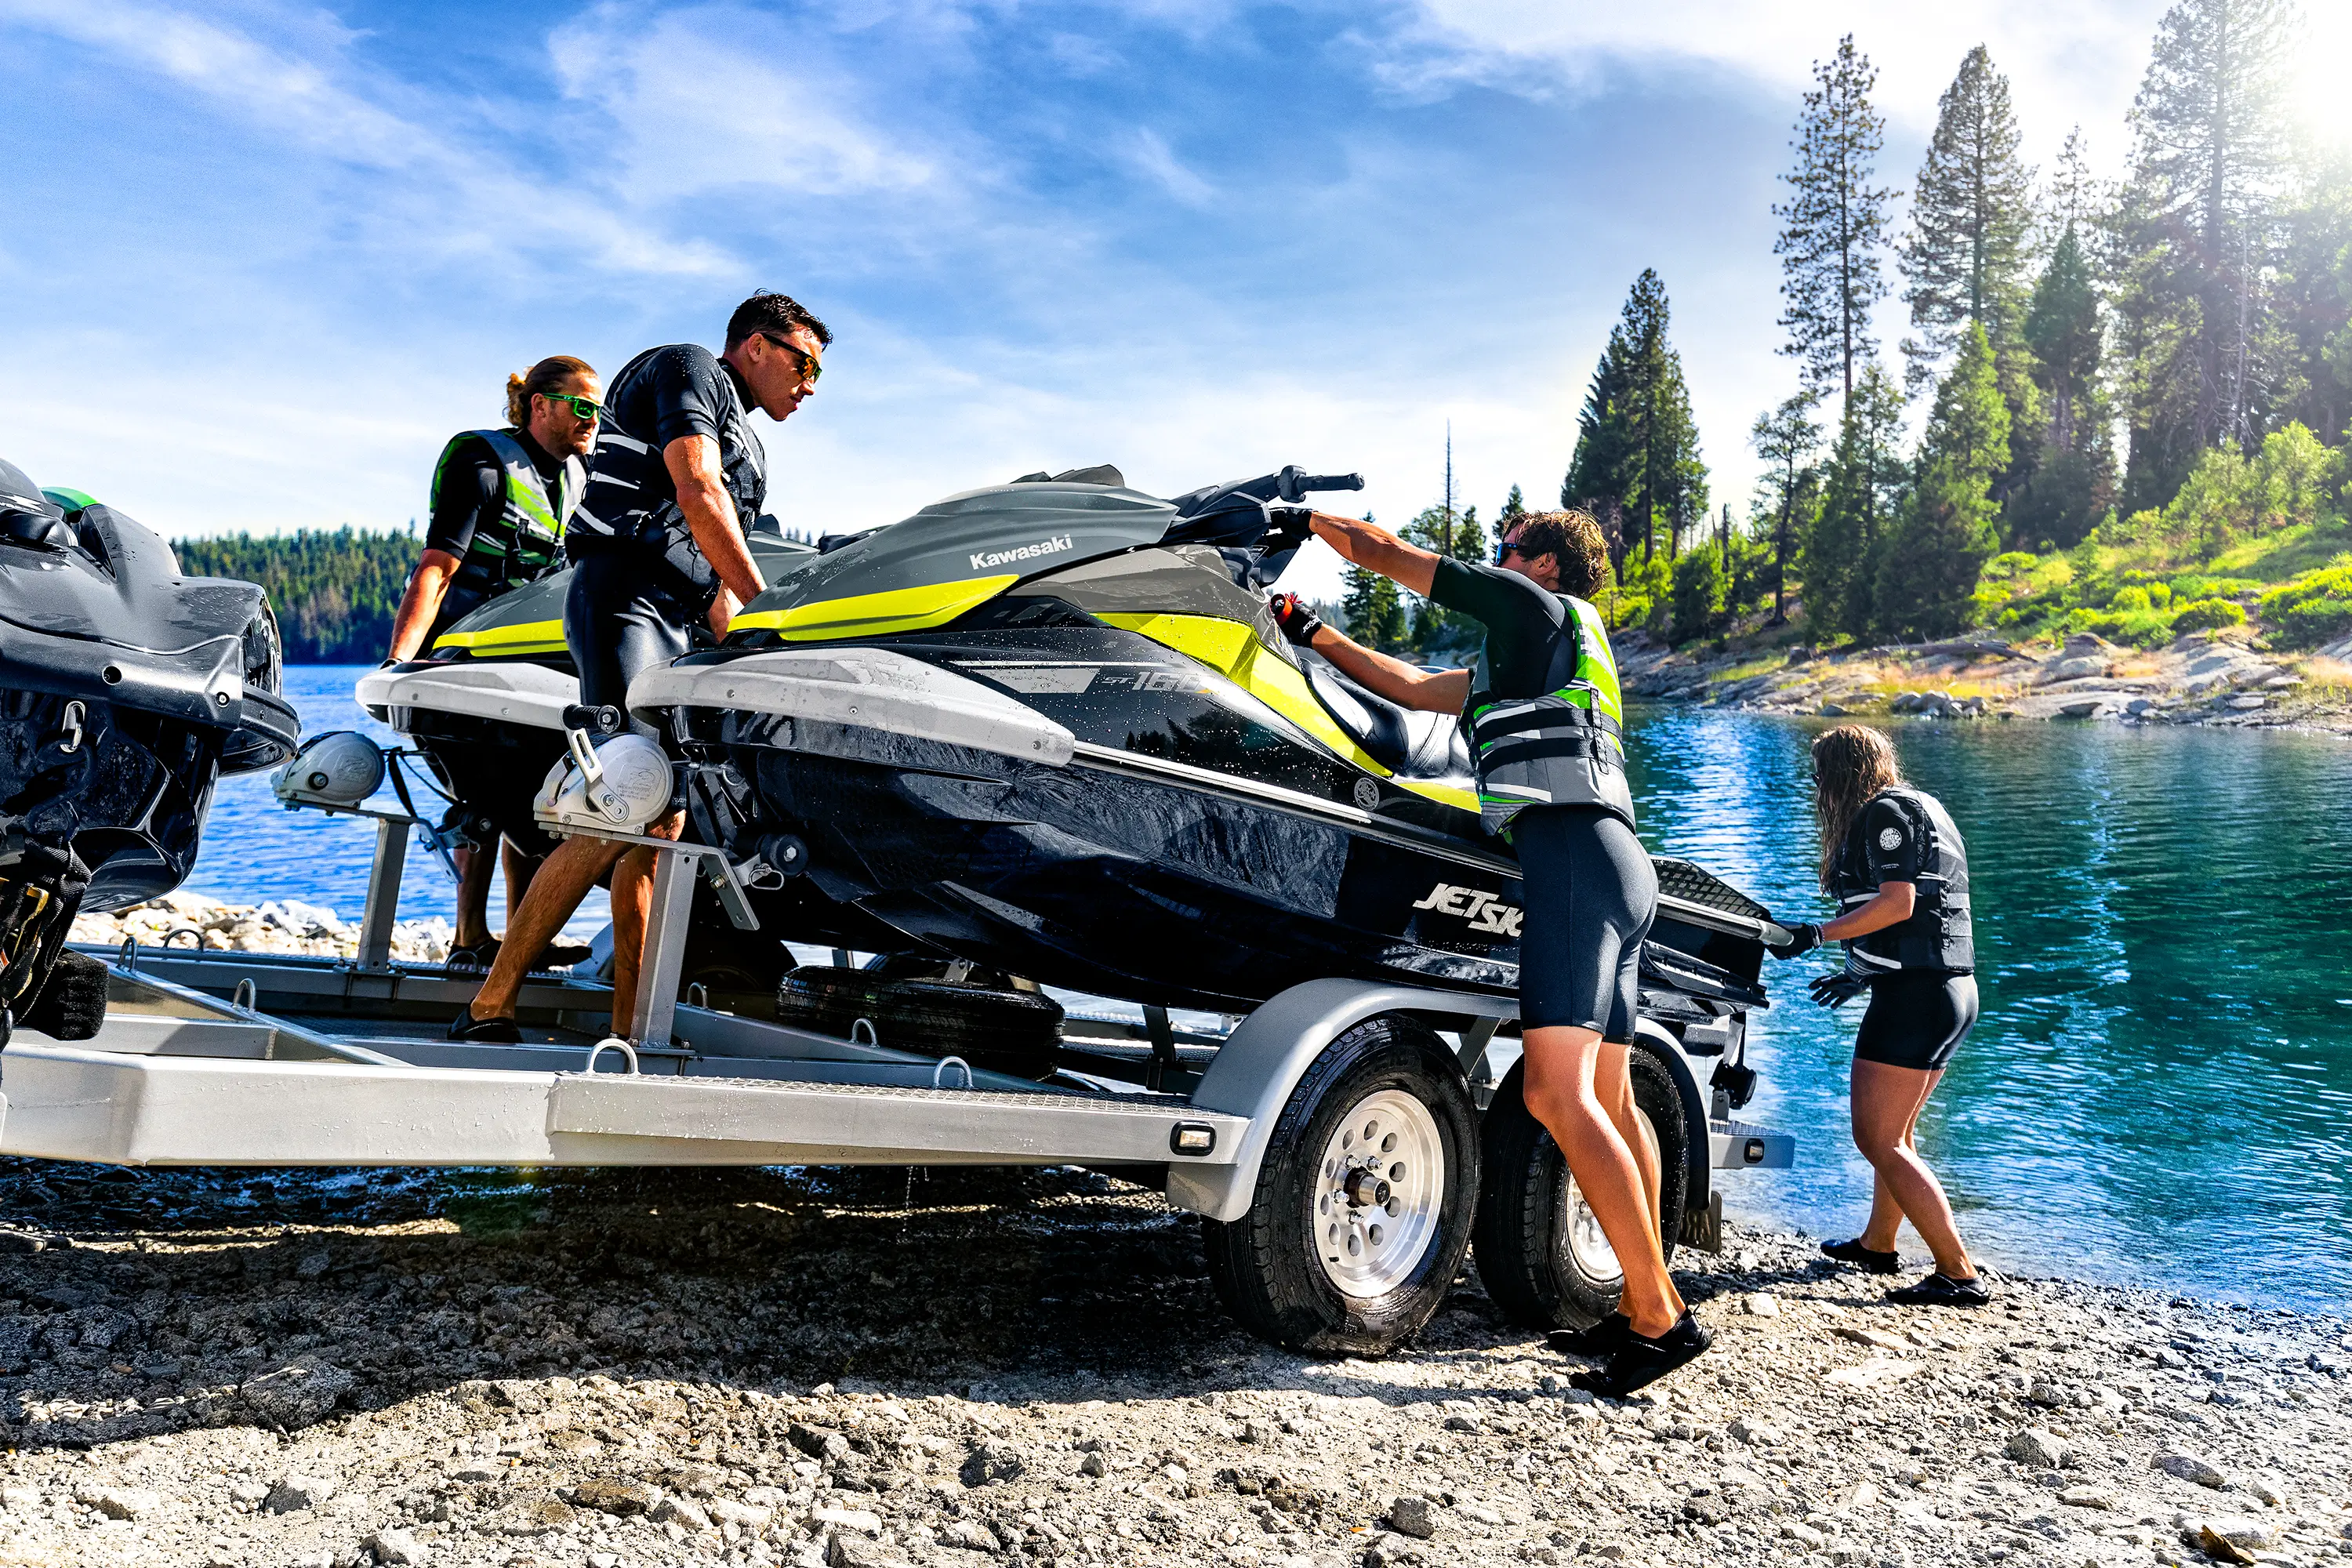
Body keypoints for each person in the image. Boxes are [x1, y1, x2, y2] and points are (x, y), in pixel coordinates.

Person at [1267, 507, 1709, 1396]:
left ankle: (1662, 1317)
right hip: (1619, 867)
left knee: (1553, 1090)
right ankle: (1639, 1298)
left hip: (1575, 864)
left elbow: (1386, 552)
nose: (1498, 563)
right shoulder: (1544, 658)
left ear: (1541, 563)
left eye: (1509, 553)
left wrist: (1299, 517)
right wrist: (1307, 630)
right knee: (1614, 1103)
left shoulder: (1532, 607)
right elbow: (1404, 683)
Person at [448, 292, 828, 1044]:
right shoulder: (688, 370)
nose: (810, 384)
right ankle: (488, 1007)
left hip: (679, 619)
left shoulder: (746, 443)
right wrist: (767, 612)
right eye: (804, 362)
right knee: (624, 798)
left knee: (666, 817)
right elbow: (695, 490)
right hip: (623, 597)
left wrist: (742, 646)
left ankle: (630, 1029)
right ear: (755, 345)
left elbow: (708, 568)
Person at [385, 356, 602, 968]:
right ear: (540, 405)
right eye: (581, 406)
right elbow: (437, 568)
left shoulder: (575, 477)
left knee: (533, 797)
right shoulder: (483, 465)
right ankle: (468, 937)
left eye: (599, 410)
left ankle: (522, 935)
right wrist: (399, 665)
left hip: (528, 666)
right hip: (453, 661)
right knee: (481, 802)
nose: (592, 420)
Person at [1766, 724, 1990, 1307]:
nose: (1817, 786)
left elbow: (1900, 904)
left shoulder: (1884, 814)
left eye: (1820, 775)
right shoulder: (1922, 806)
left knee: (1876, 1137)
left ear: (1842, 772)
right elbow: (1925, 916)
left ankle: (1957, 1271)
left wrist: (1815, 935)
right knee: (1900, 1134)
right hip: (1948, 991)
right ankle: (1879, 1243)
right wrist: (1859, 971)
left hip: (1917, 998)